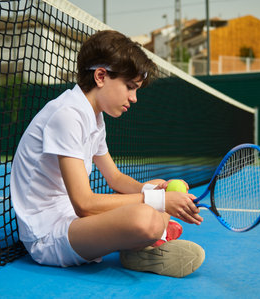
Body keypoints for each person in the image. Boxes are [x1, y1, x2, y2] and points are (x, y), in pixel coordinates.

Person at [10, 30, 204, 278]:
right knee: (148, 218)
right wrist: (161, 203)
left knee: (154, 187)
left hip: (73, 219)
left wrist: (157, 193)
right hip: (48, 234)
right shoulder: (67, 115)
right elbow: (84, 204)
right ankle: (150, 238)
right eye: (130, 87)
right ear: (101, 76)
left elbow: (115, 178)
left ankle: (142, 246)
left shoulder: (94, 118)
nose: (133, 98)